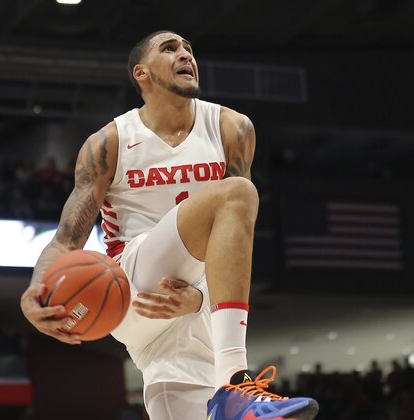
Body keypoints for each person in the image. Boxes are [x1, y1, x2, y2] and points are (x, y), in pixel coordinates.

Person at [20, 30, 319, 420]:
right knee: (238, 193)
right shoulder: (109, 141)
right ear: (141, 74)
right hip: (133, 290)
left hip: (195, 307)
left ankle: (228, 393)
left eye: (189, 49)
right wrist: (34, 291)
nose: (185, 55)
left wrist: (198, 297)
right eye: (170, 49)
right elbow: (66, 240)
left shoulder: (232, 128)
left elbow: (234, 240)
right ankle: (236, 380)